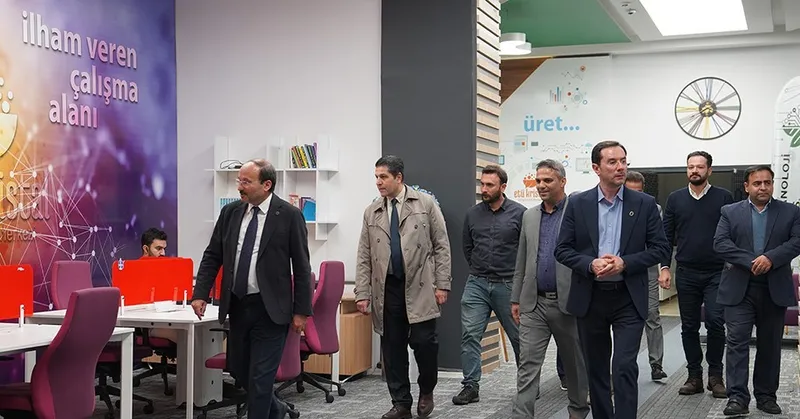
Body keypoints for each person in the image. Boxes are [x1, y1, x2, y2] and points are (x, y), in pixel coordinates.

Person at [555, 140, 670, 419]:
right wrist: (590, 264)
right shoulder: (578, 203)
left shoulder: (644, 204)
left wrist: (625, 262)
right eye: (612, 162)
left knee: (624, 365)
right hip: (590, 296)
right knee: (596, 368)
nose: (620, 167)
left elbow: (660, 248)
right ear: (596, 168)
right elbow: (562, 249)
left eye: (623, 161)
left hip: (628, 296)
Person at [190, 159, 313, 419]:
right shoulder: (230, 213)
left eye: (246, 181)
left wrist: (301, 311)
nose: (239, 186)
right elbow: (212, 255)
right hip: (238, 306)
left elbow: (302, 267)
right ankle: (277, 410)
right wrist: (200, 293)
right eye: (239, 180)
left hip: (271, 310)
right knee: (240, 371)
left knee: (260, 378)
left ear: (266, 185)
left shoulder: (289, 215)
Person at [354, 155, 452, 419]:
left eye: (383, 177)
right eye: (376, 177)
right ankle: (401, 403)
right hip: (387, 289)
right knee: (392, 348)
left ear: (399, 177)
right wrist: (362, 292)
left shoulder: (425, 203)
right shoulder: (372, 211)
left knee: (424, 343)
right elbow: (364, 255)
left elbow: (442, 246)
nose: (378, 182)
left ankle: (427, 389)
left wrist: (442, 284)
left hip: (421, 285)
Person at [713, 165, 800, 416]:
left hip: (774, 288)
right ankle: (737, 398)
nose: (763, 187)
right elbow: (720, 243)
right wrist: (752, 261)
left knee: (770, 345)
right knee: (736, 343)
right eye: (757, 183)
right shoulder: (729, 212)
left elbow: (796, 241)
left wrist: (770, 258)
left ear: (772, 184)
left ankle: (766, 396)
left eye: (767, 182)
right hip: (739, 288)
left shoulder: (791, 212)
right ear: (747, 186)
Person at [510, 159, 589, 419]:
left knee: (574, 366)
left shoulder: (578, 213)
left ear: (563, 182)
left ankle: (578, 411)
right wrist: (516, 298)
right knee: (527, 365)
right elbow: (522, 260)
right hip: (534, 304)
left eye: (548, 180)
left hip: (568, 304)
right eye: (538, 180)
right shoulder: (529, 216)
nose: (541, 185)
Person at [659, 151, 733, 398]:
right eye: (690, 166)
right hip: (686, 273)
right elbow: (666, 236)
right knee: (689, 327)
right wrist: (664, 267)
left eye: (700, 167)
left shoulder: (724, 197)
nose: (694, 171)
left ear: (709, 170)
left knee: (715, 322)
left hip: (717, 272)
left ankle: (715, 377)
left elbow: (732, 233)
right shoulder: (675, 199)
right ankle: (694, 377)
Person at [453, 164, 525, 405]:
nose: (483, 189)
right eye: (482, 184)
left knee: (519, 338)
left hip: (509, 284)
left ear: (503, 187)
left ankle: (527, 385)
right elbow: (468, 247)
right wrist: (480, 268)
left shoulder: (520, 214)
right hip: (477, 283)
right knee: (470, 335)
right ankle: (470, 386)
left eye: (489, 185)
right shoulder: (472, 214)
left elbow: (526, 251)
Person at [624, 171, 667, 381]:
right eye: (631, 191)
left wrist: (663, 268)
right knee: (622, 319)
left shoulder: (653, 209)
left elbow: (658, 242)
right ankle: (624, 364)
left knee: (652, 315)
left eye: (639, 191)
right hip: (620, 272)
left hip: (647, 271)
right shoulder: (613, 208)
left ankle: (656, 364)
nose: (635, 196)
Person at [140, 228, 180, 343]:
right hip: (148, 325)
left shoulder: (165, 269)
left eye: (164, 249)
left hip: (168, 318)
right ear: (146, 249)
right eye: (158, 249)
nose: (163, 253)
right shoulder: (136, 271)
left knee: (204, 331)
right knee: (187, 334)